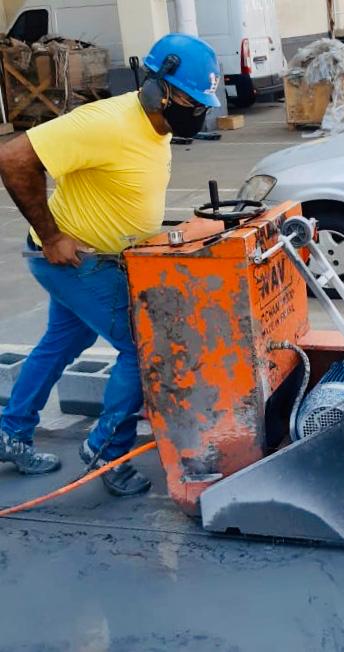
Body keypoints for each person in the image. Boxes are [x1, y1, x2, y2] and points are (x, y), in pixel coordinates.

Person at [0, 33, 221, 496]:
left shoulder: (156, 127)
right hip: (76, 260)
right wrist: (53, 235)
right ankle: (107, 452)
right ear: (155, 87)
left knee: (60, 344)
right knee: (143, 350)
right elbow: (13, 156)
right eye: (186, 100)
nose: (195, 112)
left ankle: (12, 432)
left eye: (201, 103)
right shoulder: (105, 122)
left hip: (99, 259)